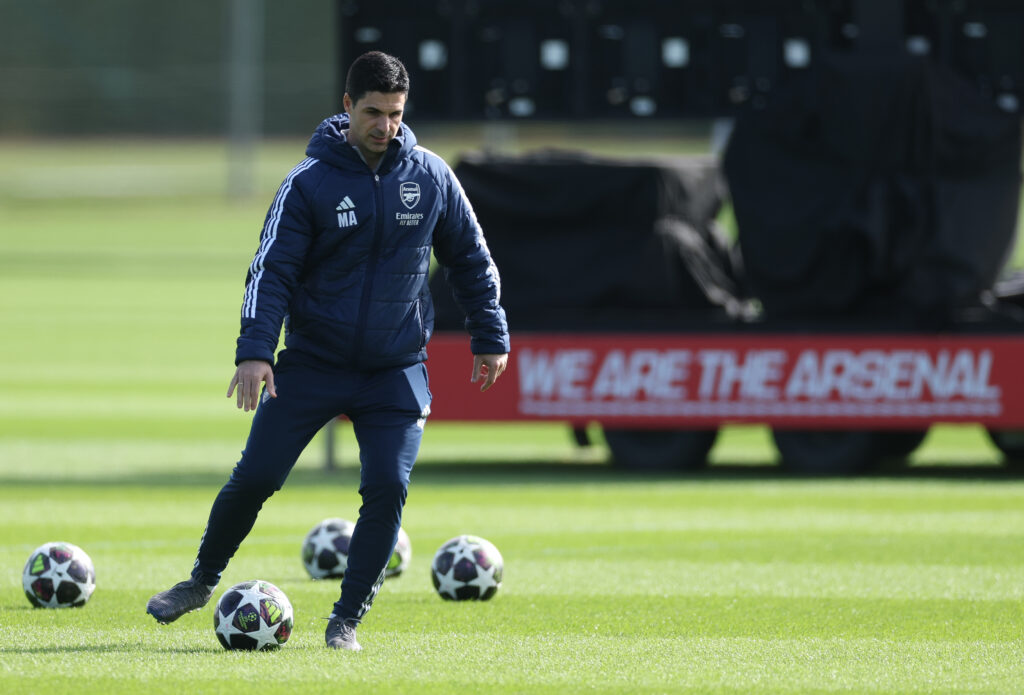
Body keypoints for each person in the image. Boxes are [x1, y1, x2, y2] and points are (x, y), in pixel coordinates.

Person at [146, 51, 510, 652]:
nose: (385, 126)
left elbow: (471, 258)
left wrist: (490, 335)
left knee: (387, 487)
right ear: (347, 107)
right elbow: (271, 272)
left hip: (395, 368)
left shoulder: (431, 177)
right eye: (373, 113)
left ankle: (346, 621)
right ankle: (200, 581)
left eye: (395, 114)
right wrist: (256, 351)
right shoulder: (308, 183)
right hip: (313, 363)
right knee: (257, 476)